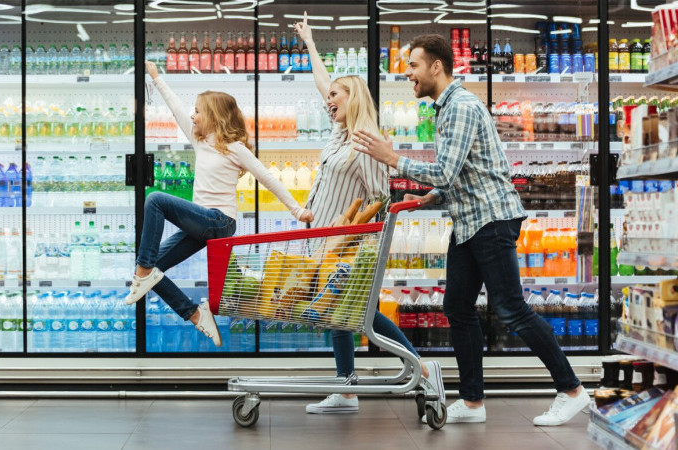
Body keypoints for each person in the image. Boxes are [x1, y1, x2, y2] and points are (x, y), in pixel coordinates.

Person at [352, 34, 590, 426]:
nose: (407, 73)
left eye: (413, 65)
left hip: (490, 220)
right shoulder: (444, 108)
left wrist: (392, 158)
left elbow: (446, 170)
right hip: (469, 220)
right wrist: (436, 197)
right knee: (457, 307)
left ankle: (572, 390)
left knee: (511, 308)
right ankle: (473, 402)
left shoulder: (459, 106)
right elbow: (461, 175)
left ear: (436, 67)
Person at [293, 14, 444, 415]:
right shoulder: (339, 132)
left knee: (354, 315)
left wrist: (348, 236)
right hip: (322, 239)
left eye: (337, 95)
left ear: (354, 98)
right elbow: (324, 84)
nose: (329, 100)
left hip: (348, 246)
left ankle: (406, 372)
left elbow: (379, 196)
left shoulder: (367, 139)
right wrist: (310, 42)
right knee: (351, 315)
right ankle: (365, 384)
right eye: (329, 96)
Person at [125, 60, 313, 347]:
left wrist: (296, 209)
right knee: (154, 269)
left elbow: (266, 177)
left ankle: (141, 273)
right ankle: (195, 314)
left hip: (218, 221)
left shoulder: (235, 148)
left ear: (213, 116)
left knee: (155, 200)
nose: (193, 115)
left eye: (198, 111)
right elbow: (175, 107)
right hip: (200, 223)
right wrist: (155, 76)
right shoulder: (199, 141)